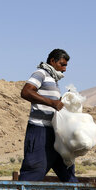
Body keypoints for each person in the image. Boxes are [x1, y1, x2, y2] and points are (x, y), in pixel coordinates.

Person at [18, 48, 78, 182]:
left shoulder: (53, 80)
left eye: (66, 66)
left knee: (68, 171)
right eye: (62, 64)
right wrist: (52, 103)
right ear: (52, 61)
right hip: (40, 131)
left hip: (55, 133)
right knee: (33, 172)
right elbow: (26, 92)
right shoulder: (41, 73)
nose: (64, 69)